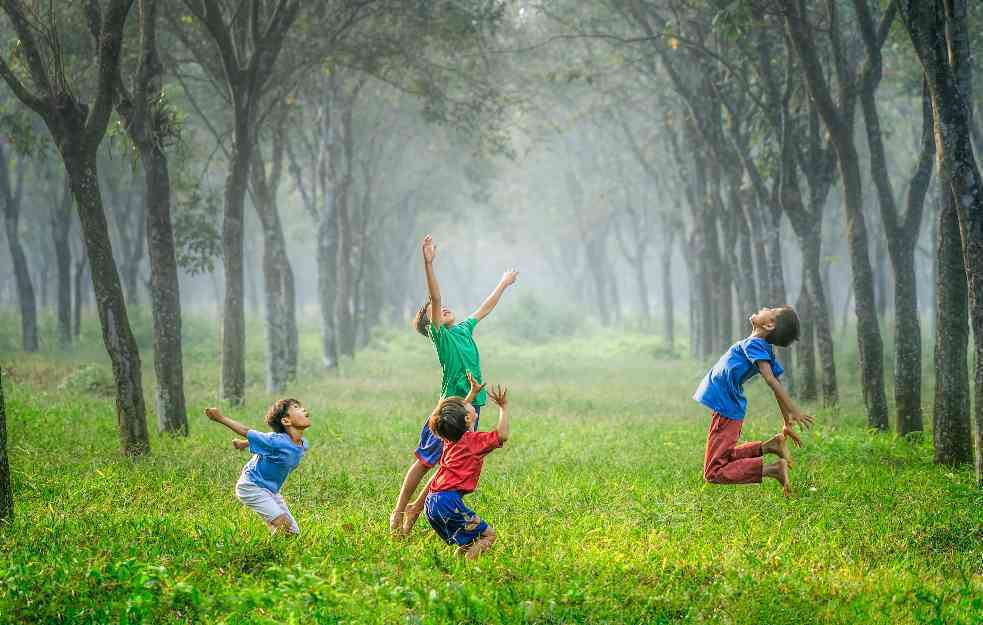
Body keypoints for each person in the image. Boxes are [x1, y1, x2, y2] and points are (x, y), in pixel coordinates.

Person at [389, 234, 517, 532]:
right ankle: (398, 511)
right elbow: (436, 298)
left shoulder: (462, 330)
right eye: (434, 312)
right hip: (450, 410)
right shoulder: (441, 337)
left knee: (450, 462)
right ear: (429, 324)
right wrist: (428, 263)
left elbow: (484, 307)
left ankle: (416, 509)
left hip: (472, 407)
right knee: (425, 462)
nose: (443, 310)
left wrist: (503, 283)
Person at [693, 306, 814, 496]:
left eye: (771, 310)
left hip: (726, 408)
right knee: (724, 457)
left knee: (713, 471)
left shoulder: (756, 345)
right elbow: (776, 385)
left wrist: (793, 409)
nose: (765, 307)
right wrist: (786, 422)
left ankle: (773, 470)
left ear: (769, 324)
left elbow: (771, 380)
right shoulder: (760, 346)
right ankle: (770, 446)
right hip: (726, 407)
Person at [406, 381, 509, 558]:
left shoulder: (450, 437)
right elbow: (502, 435)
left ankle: (457, 566)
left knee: (470, 540)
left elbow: (456, 414)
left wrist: (472, 393)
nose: (467, 403)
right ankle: (467, 571)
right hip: (447, 503)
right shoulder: (473, 442)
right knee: (488, 536)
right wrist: (503, 408)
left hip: (431, 503)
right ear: (467, 419)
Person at [205, 400, 311, 535]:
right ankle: (266, 549)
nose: (303, 409)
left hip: (271, 491)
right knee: (284, 525)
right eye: (296, 407)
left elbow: (264, 443)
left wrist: (243, 444)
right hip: (251, 485)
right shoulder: (276, 441)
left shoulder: (303, 444)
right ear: (286, 421)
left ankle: (272, 548)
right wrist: (220, 418)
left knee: (292, 533)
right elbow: (246, 431)